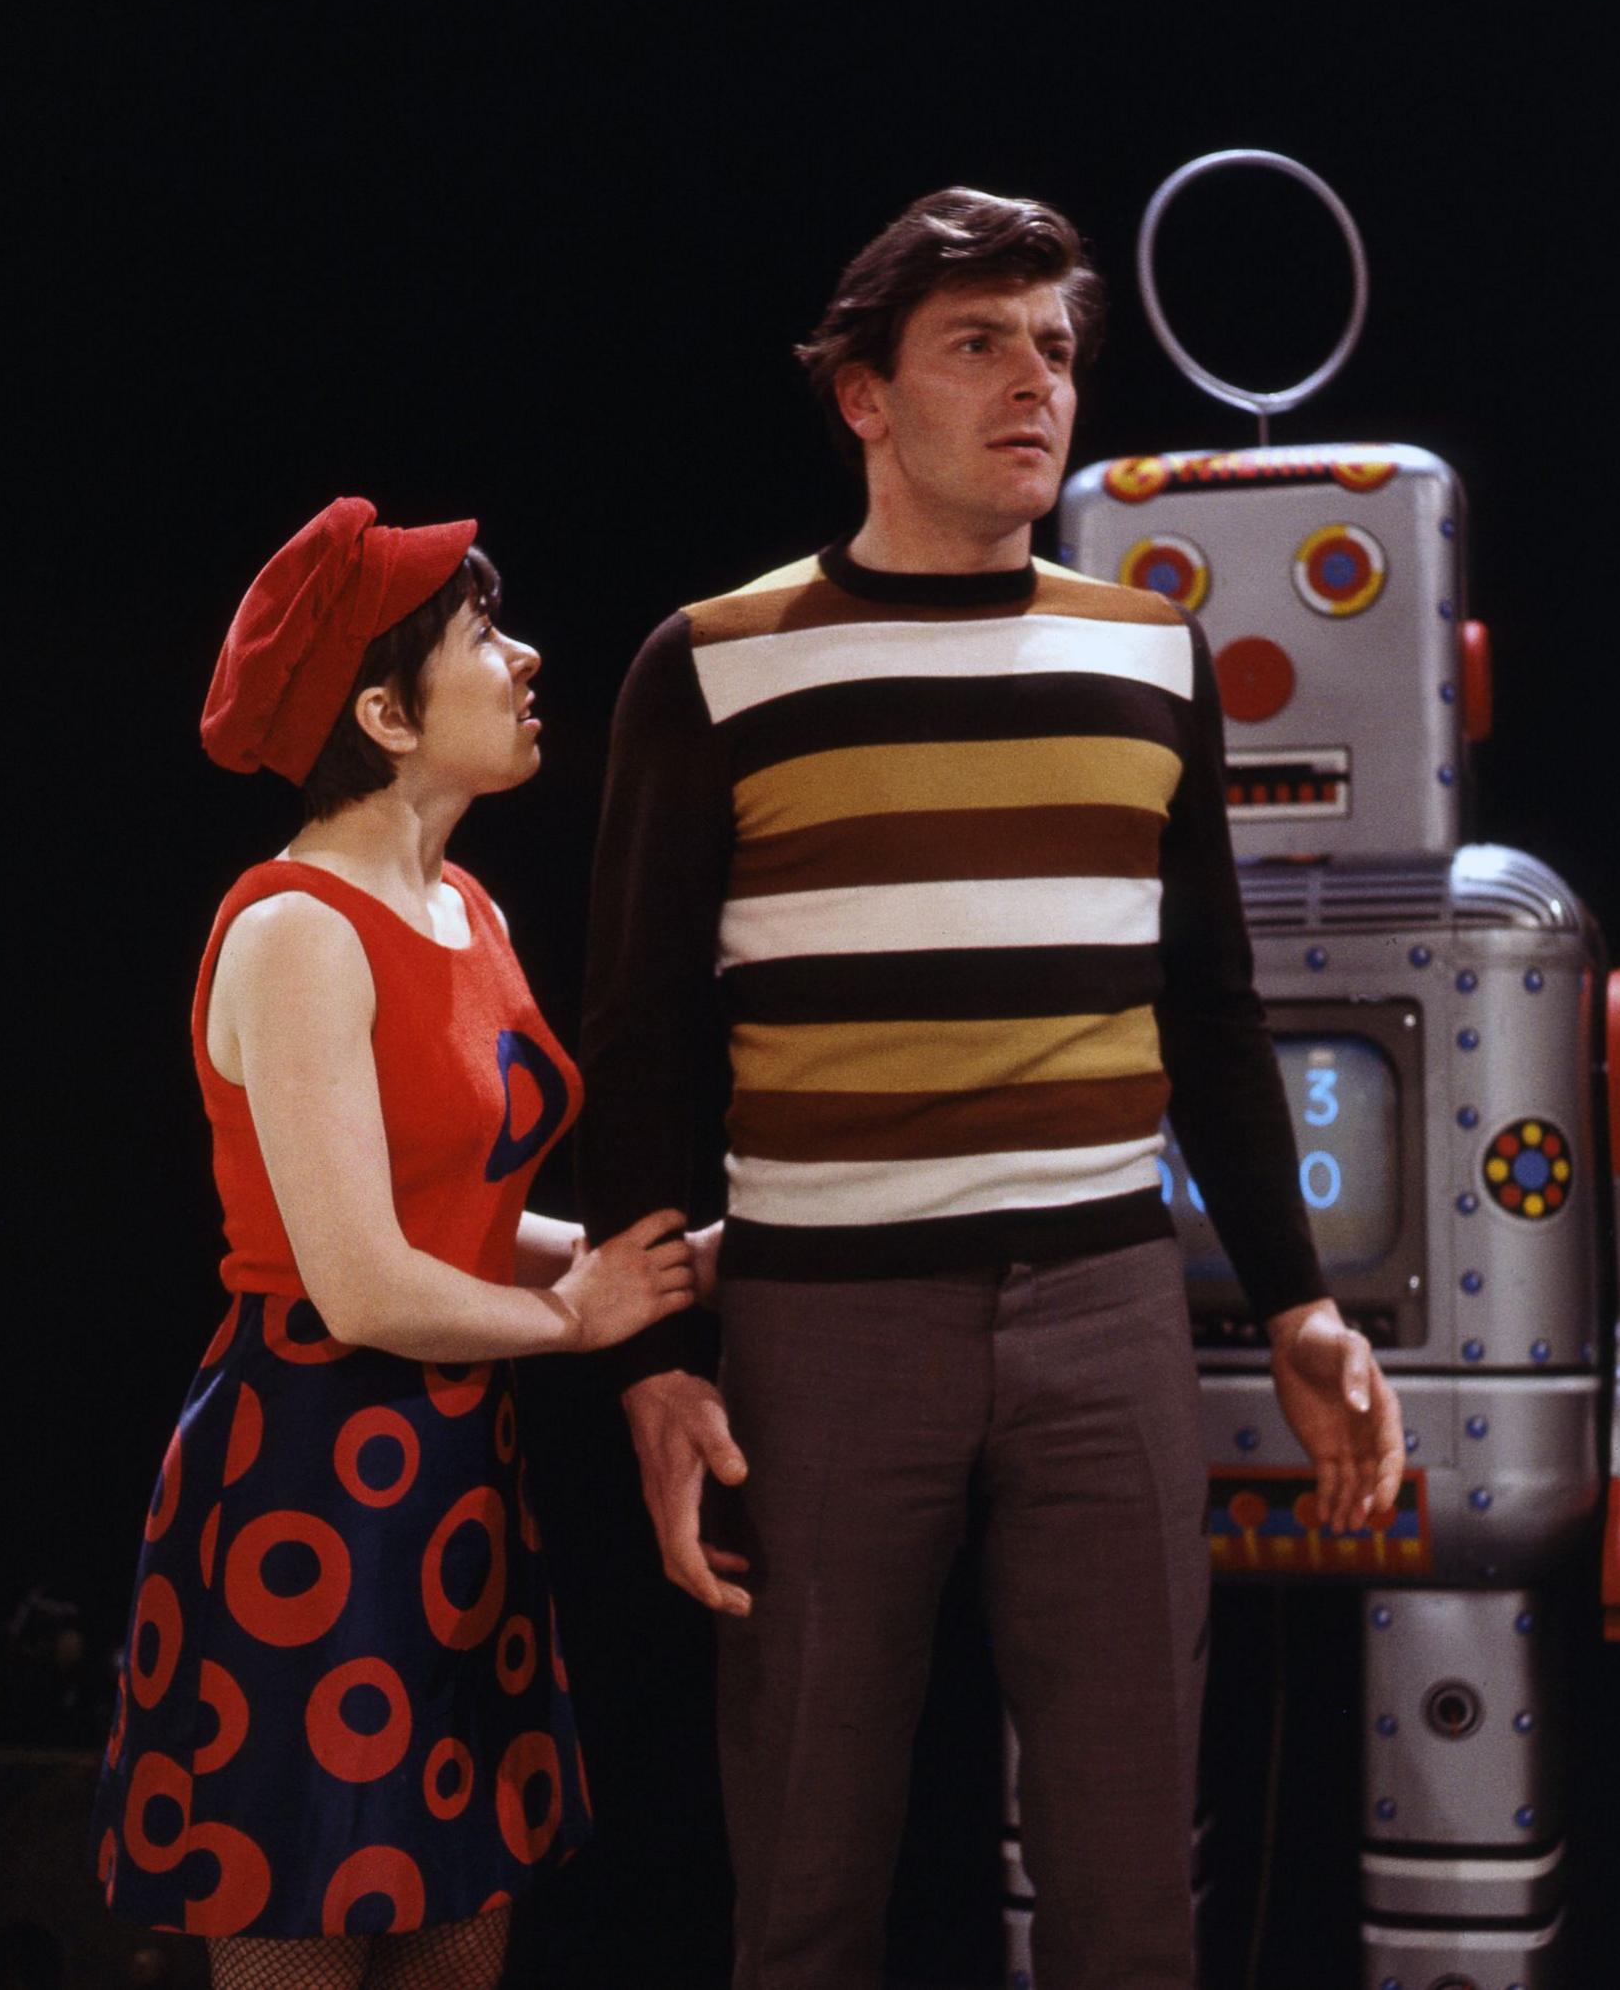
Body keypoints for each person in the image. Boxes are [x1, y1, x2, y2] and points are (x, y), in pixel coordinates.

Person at [576, 189, 1407, 1990]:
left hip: (1105, 1316)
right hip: (820, 1329)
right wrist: (649, 1365)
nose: (1036, 384)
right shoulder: (716, 665)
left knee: (1128, 1898)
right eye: (978, 346)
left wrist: (1297, 1302)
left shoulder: (1146, 653)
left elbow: (1211, 1010)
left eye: (1055, 347)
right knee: (804, 1884)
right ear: (863, 398)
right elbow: (638, 1043)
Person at [91, 497, 698, 1990]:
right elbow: (361, 1281)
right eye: (485, 637)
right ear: (383, 712)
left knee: (454, 1931)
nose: (528, 658)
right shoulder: (293, 928)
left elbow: (459, 1215)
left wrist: (651, 1260)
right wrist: (582, 1318)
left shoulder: (462, 904)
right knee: (305, 1917)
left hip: (447, 1477)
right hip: (308, 1472)